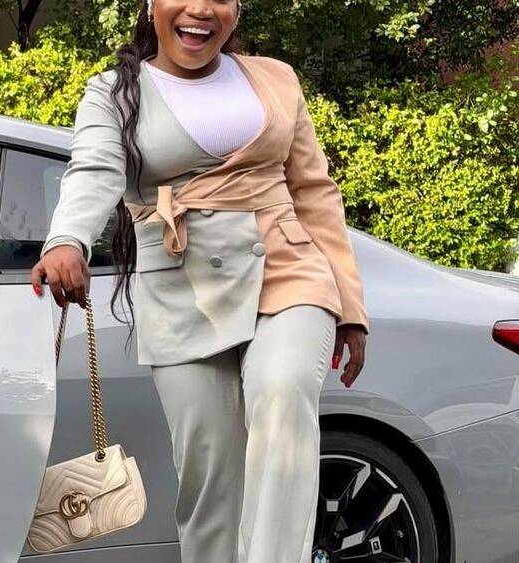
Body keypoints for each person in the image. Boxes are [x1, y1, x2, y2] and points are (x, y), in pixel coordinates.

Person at [28, 0, 370, 561]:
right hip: (179, 291)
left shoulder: (275, 79)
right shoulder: (116, 92)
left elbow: (314, 192)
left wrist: (351, 307)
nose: (201, 9)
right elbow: (93, 169)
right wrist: (67, 240)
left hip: (286, 267)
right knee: (210, 474)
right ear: (151, 6)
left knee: (283, 394)